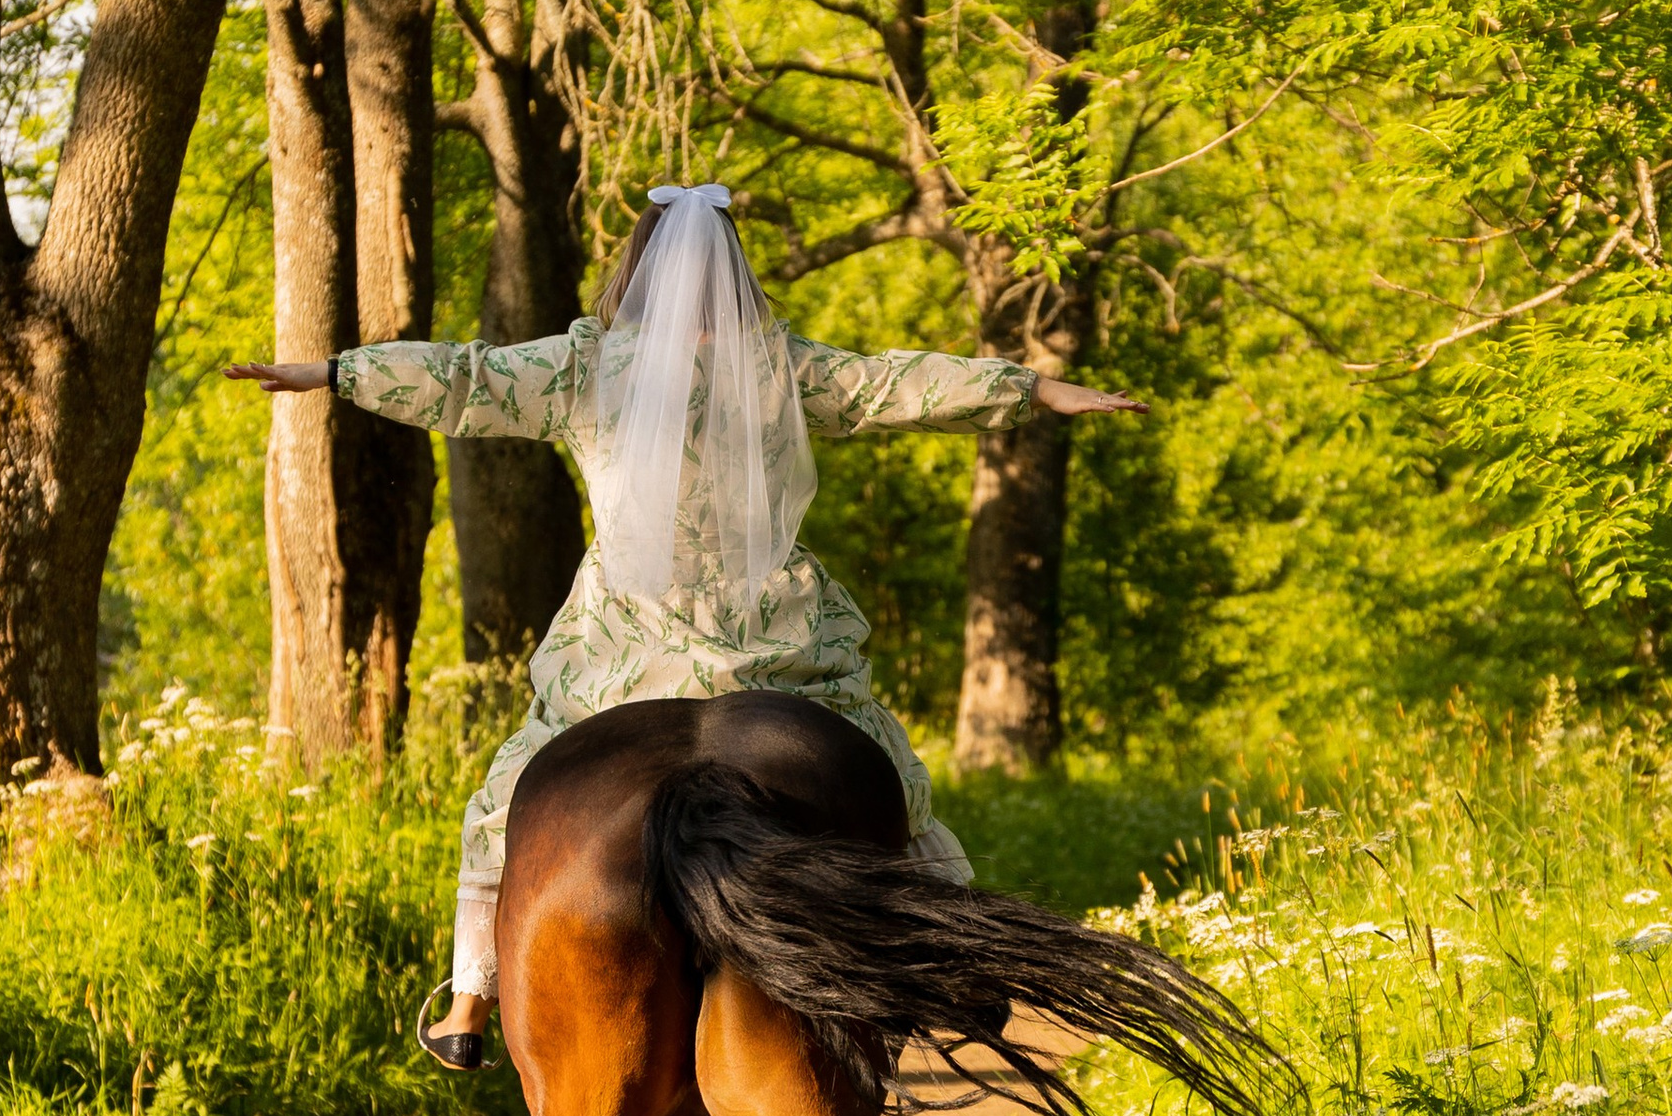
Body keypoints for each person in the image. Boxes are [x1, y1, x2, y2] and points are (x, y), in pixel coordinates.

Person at [229, 181, 1142, 1066]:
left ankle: (472, 993)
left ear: (638, 270)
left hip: (629, 636)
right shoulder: (782, 365)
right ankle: (954, 957)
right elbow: (899, 386)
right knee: (884, 762)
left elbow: (465, 381)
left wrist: (334, 373)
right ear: (734, 274)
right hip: (772, 629)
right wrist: (1037, 389)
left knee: (515, 784)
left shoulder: (586, 366)